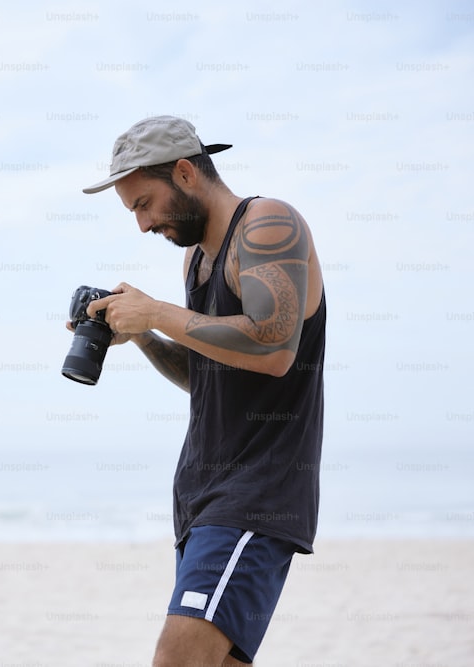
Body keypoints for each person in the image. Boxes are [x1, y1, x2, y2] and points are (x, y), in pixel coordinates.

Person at [78, 116, 326, 666]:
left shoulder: (267, 224)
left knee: (176, 661)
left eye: (144, 203)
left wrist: (159, 312)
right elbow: (207, 373)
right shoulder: (196, 258)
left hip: (254, 497)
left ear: (186, 173)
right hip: (201, 499)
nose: (142, 225)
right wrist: (142, 334)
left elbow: (274, 346)